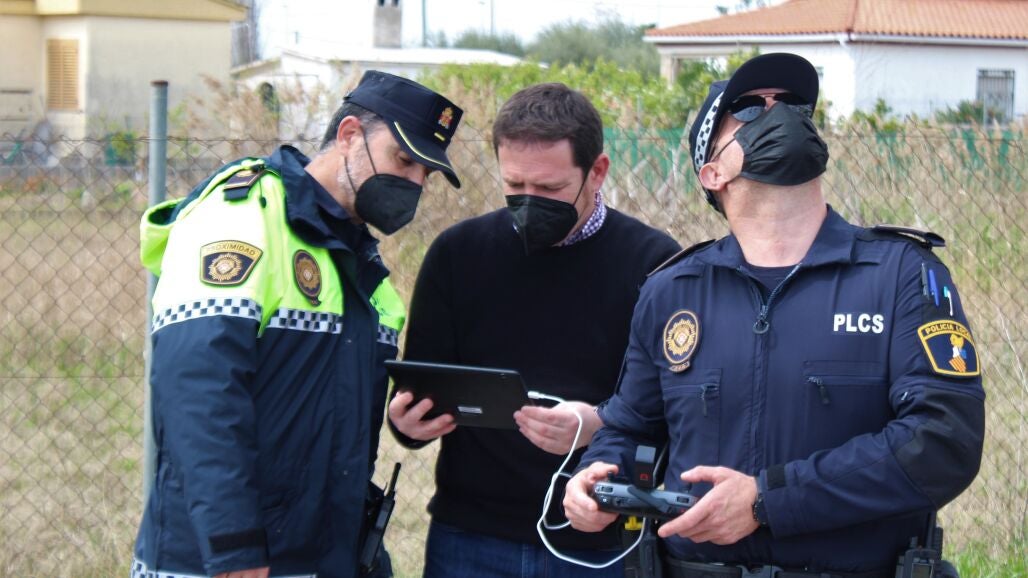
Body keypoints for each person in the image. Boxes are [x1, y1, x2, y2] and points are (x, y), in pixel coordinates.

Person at [563, 52, 985, 578]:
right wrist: (594, 476)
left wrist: (769, 499)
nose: (779, 112)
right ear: (711, 171)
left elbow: (943, 442)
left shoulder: (901, 274)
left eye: (793, 105)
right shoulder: (672, 290)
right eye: (750, 109)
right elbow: (630, 427)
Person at [131, 71, 464, 578]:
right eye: (404, 160)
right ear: (349, 135)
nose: (415, 183)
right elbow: (200, 390)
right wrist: (233, 542)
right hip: (226, 558)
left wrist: (403, 421)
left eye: (427, 174)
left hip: (322, 552)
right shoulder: (244, 216)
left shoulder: (364, 266)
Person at [387, 82, 682, 577]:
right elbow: (424, 385)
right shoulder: (458, 254)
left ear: (597, 172)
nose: (529, 202)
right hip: (470, 537)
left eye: (549, 190)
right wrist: (408, 424)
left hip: (597, 542)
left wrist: (597, 424)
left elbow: (672, 410)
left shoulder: (654, 262)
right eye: (514, 185)